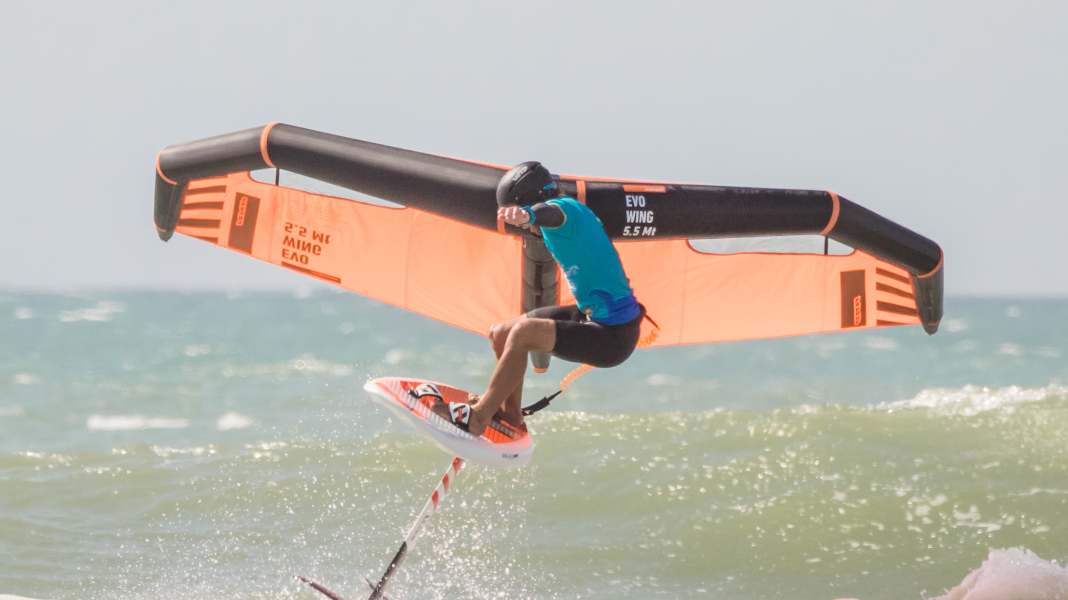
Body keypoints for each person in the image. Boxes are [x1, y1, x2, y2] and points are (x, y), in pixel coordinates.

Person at [431, 161, 644, 436]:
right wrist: (528, 218)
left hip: (614, 335)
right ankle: (511, 414)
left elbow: (550, 213)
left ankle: (478, 418)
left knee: (524, 333)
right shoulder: (565, 218)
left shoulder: (568, 210)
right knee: (501, 333)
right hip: (592, 316)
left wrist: (527, 215)